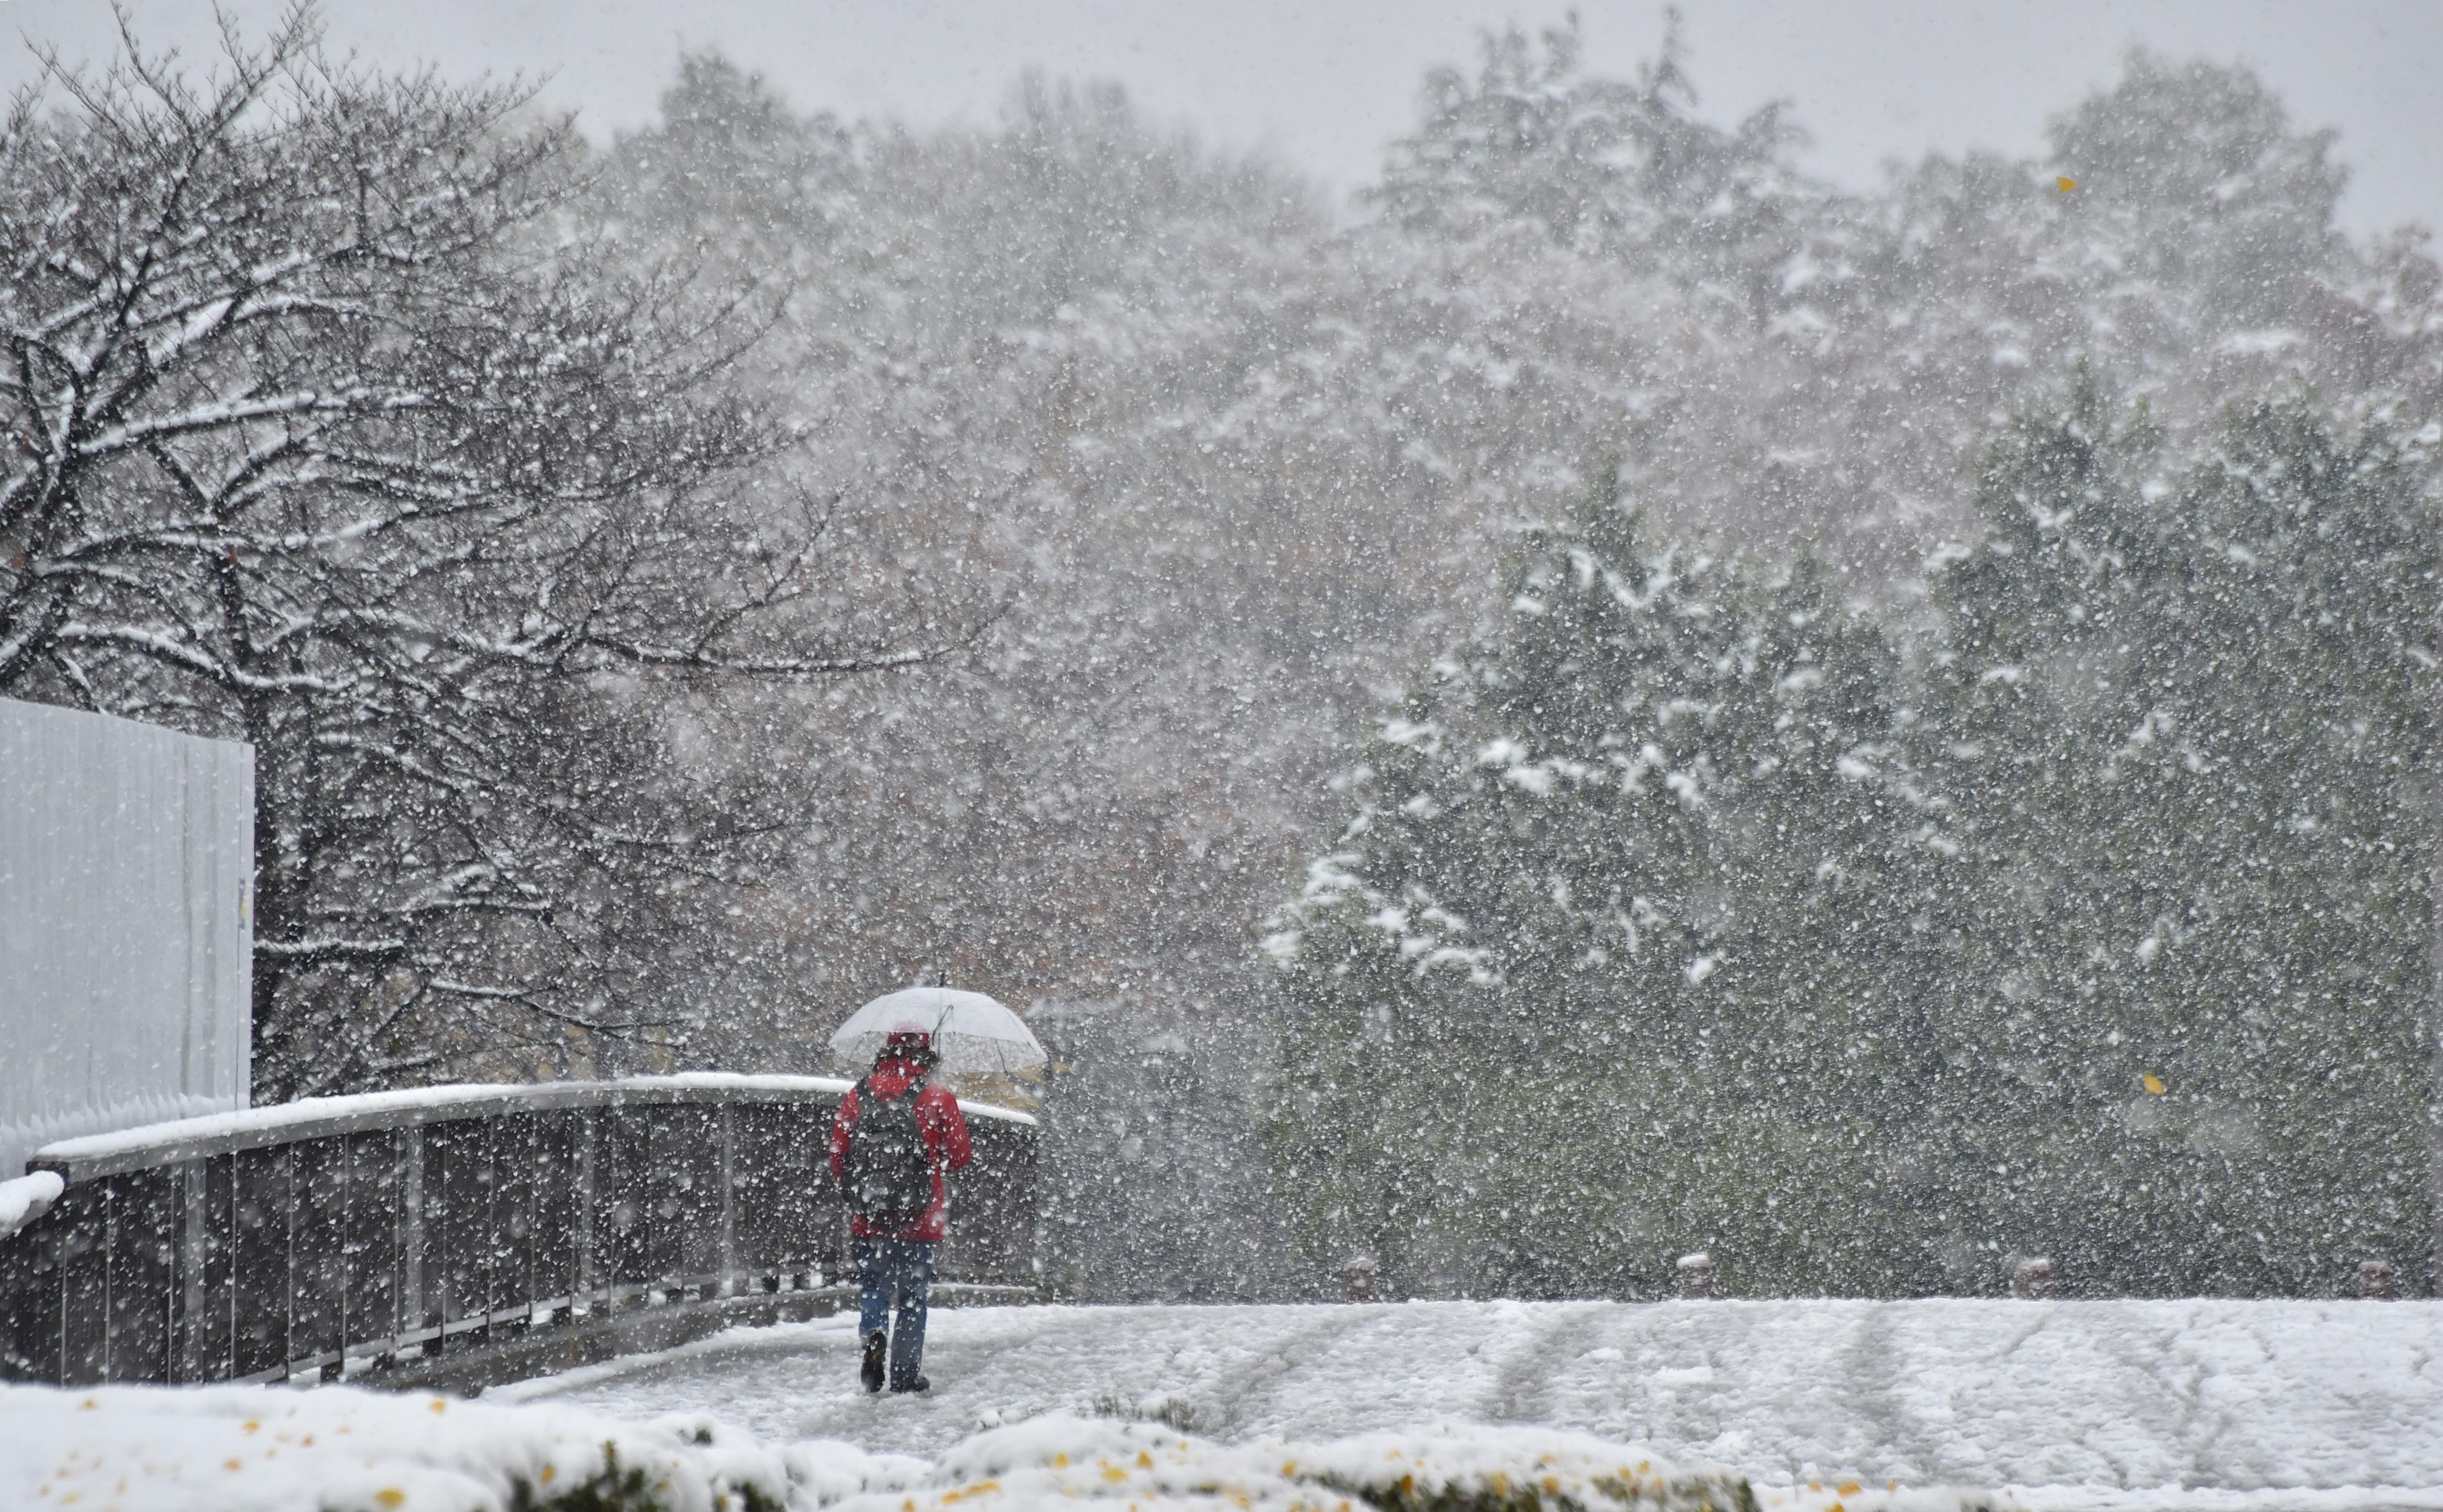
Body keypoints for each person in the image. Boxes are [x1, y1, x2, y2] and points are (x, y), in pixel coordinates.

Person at [829, 1025, 972, 1394]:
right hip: (919, 1218)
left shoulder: (858, 1094)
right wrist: (932, 1156)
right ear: (926, 1055)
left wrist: (860, 1194)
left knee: (873, 1286)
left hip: (870, 1215)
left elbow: (838, 1155)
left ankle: (874, 1331)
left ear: (885, 1052)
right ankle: (906, 1378)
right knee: (911, 1299)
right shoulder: (937, 1097)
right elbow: (960, 1156)